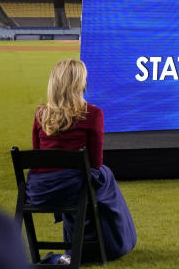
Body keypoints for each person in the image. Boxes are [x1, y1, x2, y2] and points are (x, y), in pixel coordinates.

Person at [27, 59, 136, 262]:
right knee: (101, 176)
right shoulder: (93, 114)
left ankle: (78, 246)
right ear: (80, 83)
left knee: (84, 178)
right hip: (73, 188)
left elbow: (38, 157)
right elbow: (95, 162)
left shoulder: (40, 114)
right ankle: (117, 243)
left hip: (39, 191)